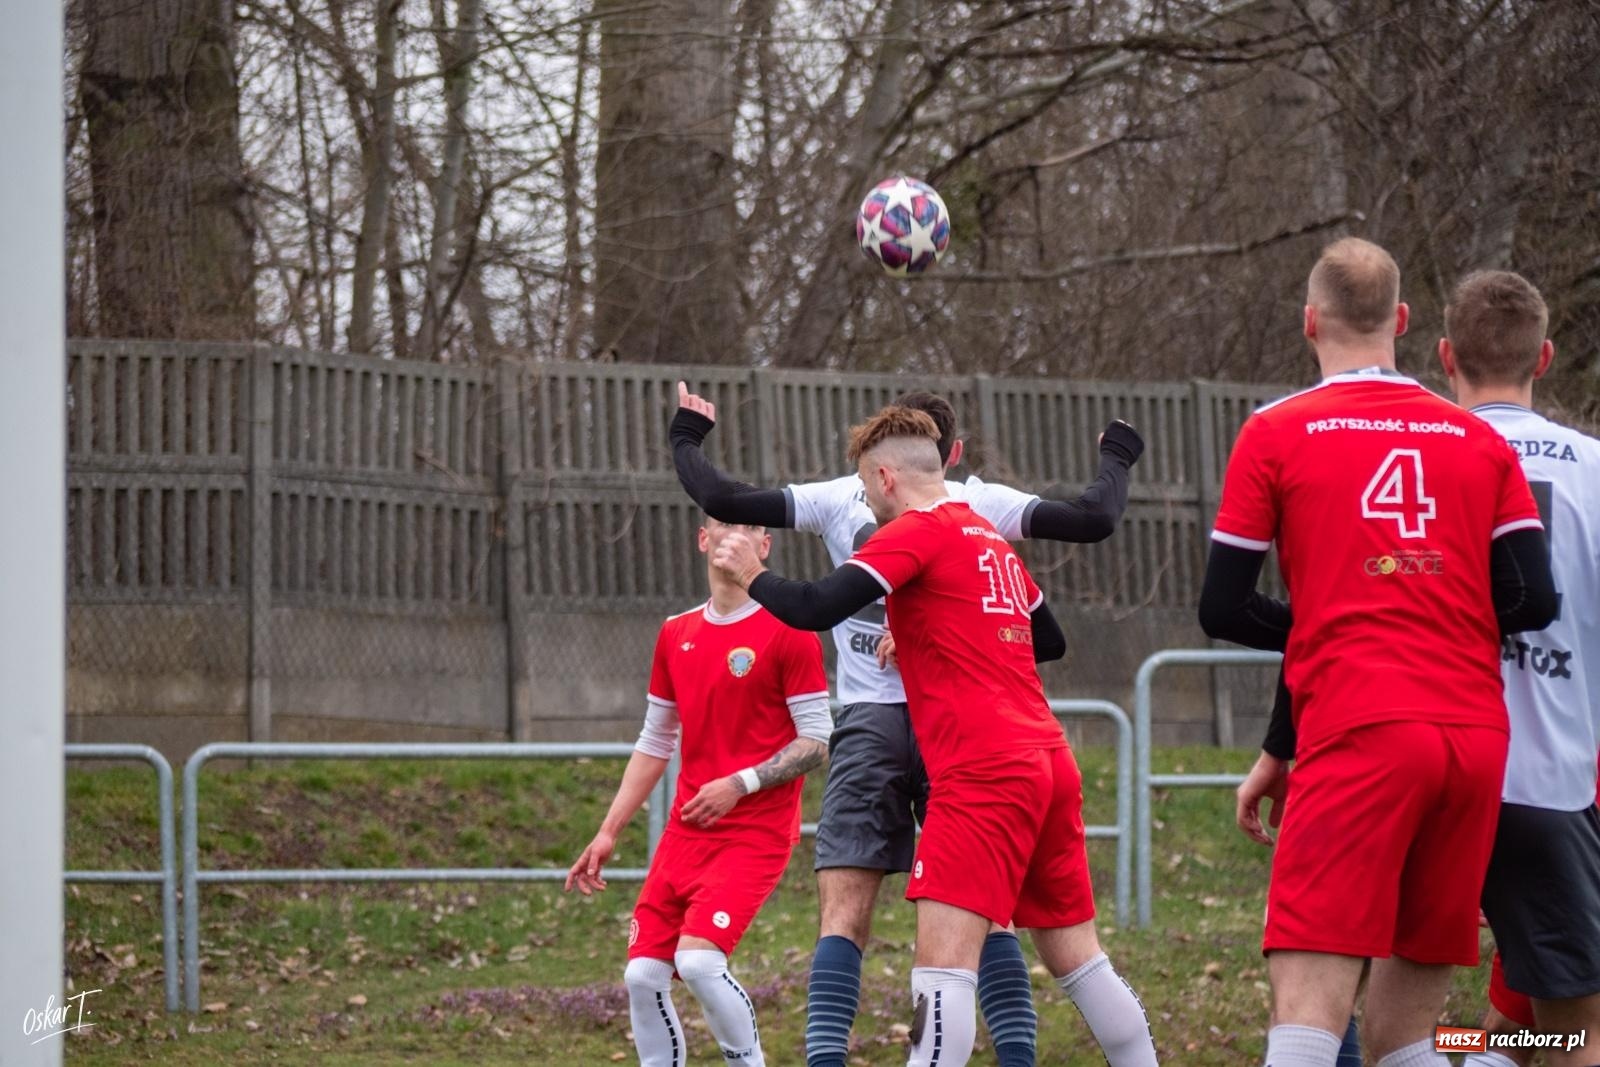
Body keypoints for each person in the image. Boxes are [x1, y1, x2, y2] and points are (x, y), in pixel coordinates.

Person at [670, 382, 1144, 1067]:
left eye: (869, 488)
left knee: (938, 966)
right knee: (1077, 957)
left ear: (885, 476)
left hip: (977, 768)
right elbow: (1049, 636)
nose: (866, 500)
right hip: (1046, 757)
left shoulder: (915, 531)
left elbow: (814, 605)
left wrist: (752, 574)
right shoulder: (988, 530)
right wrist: (932, 629)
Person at [1203, 237, 1557, 1067]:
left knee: (1308, 1014)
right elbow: (1534, 599)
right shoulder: (1477, 437)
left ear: (1308, 321)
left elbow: (1221, 605)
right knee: (1405, 1038)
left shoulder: (1276, 430)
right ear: (1400, 321)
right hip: (1473, 742)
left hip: (1362, 728)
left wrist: (1334, 622)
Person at [565, 516, 832, 1067]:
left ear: (765, 544)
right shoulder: (676, 632)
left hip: (754, 833)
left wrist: (742, 784)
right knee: (642, 975)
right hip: (686, 832)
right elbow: (655, 739)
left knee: (699, 964)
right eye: (720, 525)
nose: (732, 535)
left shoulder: (790, 629)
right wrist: (608, 830)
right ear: (702, 540)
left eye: (747, 527)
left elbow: (818, 739)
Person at [1434, 271, 1600, 1067]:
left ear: (1444, 356)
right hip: (1551, 776)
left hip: (1428, 767)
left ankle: (1469, 1053)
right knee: (1579, 1025)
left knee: (1413, 1010)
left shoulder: (1415, 464)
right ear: (1546, 356)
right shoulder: (1594, 470)